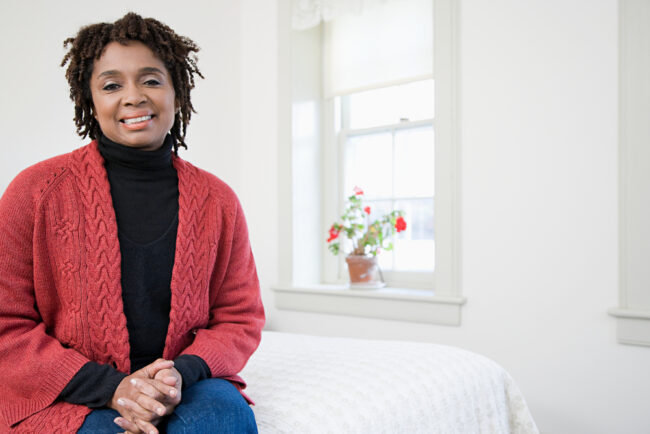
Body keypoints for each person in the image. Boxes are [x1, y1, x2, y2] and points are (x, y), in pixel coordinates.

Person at [0, 12, 265, 434]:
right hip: (71, 388)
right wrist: (112, 387)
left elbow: (240, 316)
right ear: (90, 101)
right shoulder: (34, 192)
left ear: (177, 94)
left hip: (184, 382)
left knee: (224, 419)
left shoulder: (218, 201)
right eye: (111, 85)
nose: (134, 96)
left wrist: (182, 372)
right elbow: (6, 324)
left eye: (152, 80)